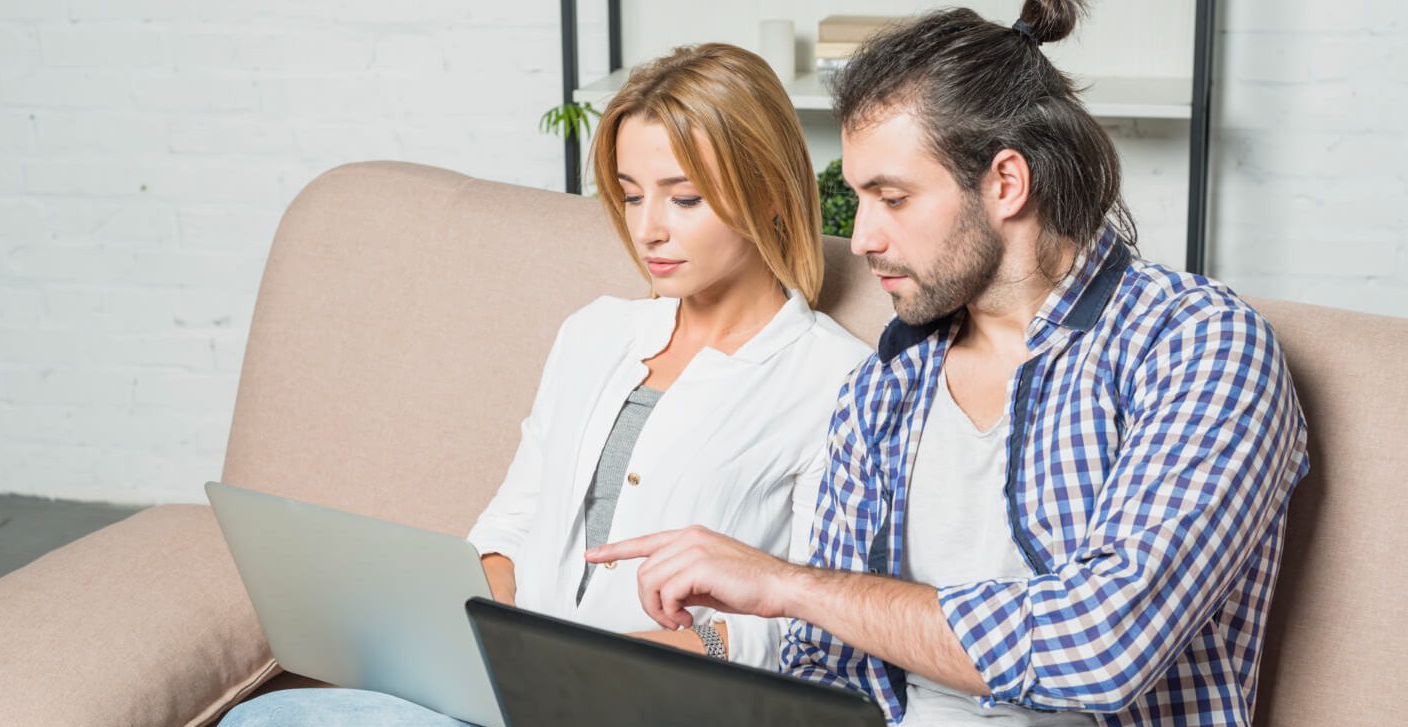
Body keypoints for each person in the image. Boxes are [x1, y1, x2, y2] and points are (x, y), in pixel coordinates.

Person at [587, 3, 1310, 725]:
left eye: (891, 198)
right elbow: (826, 669)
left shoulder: (1198, 345)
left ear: (1005, 183)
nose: (862, 236)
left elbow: (1103, 645)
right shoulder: (884, 388)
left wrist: (788, 584)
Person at [221, 43, 871, 726]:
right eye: (629, 194)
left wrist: (625, 659)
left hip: (657, 703)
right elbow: (512, 522)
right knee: (266, 718)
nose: (648, 228)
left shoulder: (835, 381)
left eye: (684, 197)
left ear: (767, 191)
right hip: (511, 692)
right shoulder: (594, 333)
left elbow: (812, 617)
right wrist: (482, 632)